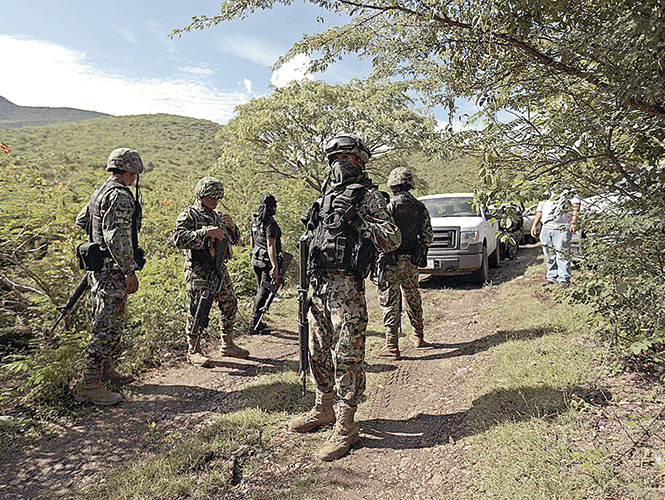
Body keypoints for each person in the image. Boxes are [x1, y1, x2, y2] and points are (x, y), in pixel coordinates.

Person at [288, 133, 401, 461]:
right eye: (334, 157)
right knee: (317, 351)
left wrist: (361, 222)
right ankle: (324, 408)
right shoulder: (325, 196)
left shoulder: (368, 196)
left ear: (360, 161)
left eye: (346, 157)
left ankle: (346, 425)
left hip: (347, 289)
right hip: (319, 287)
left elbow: (392, 238)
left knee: (347, 355)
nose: (339, 162)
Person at [74, 148, 145, 406]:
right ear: (131, 170)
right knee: (106, 327)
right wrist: (129, 271)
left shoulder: (100, 191)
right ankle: (90, 384)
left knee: (108, 321)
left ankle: (106, 371)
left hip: (98, 269)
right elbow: (117, 237)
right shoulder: (120, 196)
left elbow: (83, 220)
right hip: (113, 271)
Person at [173, 176, 249, 367]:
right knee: (198, 308)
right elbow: (178, 239)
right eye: (211, 198)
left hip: (218, 268)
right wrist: (204, 232)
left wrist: (232, 227)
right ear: (201, 195)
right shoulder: (189, 215)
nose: (215, 202)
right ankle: (193, 350)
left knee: (229, 302)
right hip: (199, 269)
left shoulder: (217, 215)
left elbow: (235, 239)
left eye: (217, 198)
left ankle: (227, 343)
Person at [374, 167, 433, 360]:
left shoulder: (389, 206)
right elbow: (427, 236)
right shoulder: (419, 207)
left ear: (393, 185)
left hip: (391, 260)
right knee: (412, 295)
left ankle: (392, 346)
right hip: (410, 261)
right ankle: (418, 336)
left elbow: (383, 235)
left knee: (390, 301)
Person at [530, 188, 581, 287]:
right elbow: (540, 210)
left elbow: (575, 205)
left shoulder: (569, 189)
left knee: (562, 253)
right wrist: (534, 225)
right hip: (546, 227)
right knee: (549, 254)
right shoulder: (546, 192)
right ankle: (552, 277)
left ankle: (564, 279)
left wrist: (574, 222)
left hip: (562, 228)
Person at [249, 193, 282, 334]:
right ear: (272, 207)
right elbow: (270, 245)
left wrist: (253, 255)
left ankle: (257, 322)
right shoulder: (271, 224)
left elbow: (252, 241)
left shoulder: (255, 221)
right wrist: (275, 266)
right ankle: (254, 324)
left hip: (256, 259)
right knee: (264, 291)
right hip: (266, 262)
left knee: (260, 290)